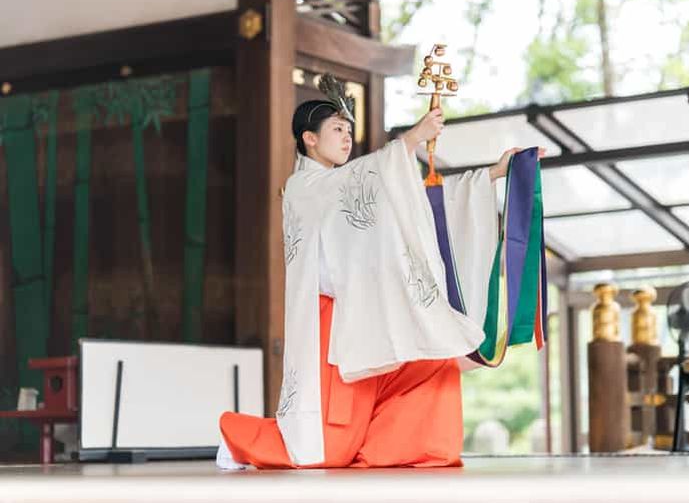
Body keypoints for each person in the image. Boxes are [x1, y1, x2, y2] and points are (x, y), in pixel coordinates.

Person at [217, 75, 539, 470]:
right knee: (326, 449)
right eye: (336, 129)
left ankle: (401, 448)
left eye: (349, 130)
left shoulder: (347, 183)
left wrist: (491, 174)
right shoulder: (303, 186)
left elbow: (417, 206)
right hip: (329, 324)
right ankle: (236, 438)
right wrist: (413, 138)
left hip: (369, 314)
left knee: (432, 365)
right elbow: (368, 178)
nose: (346, 137)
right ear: (308, 139)